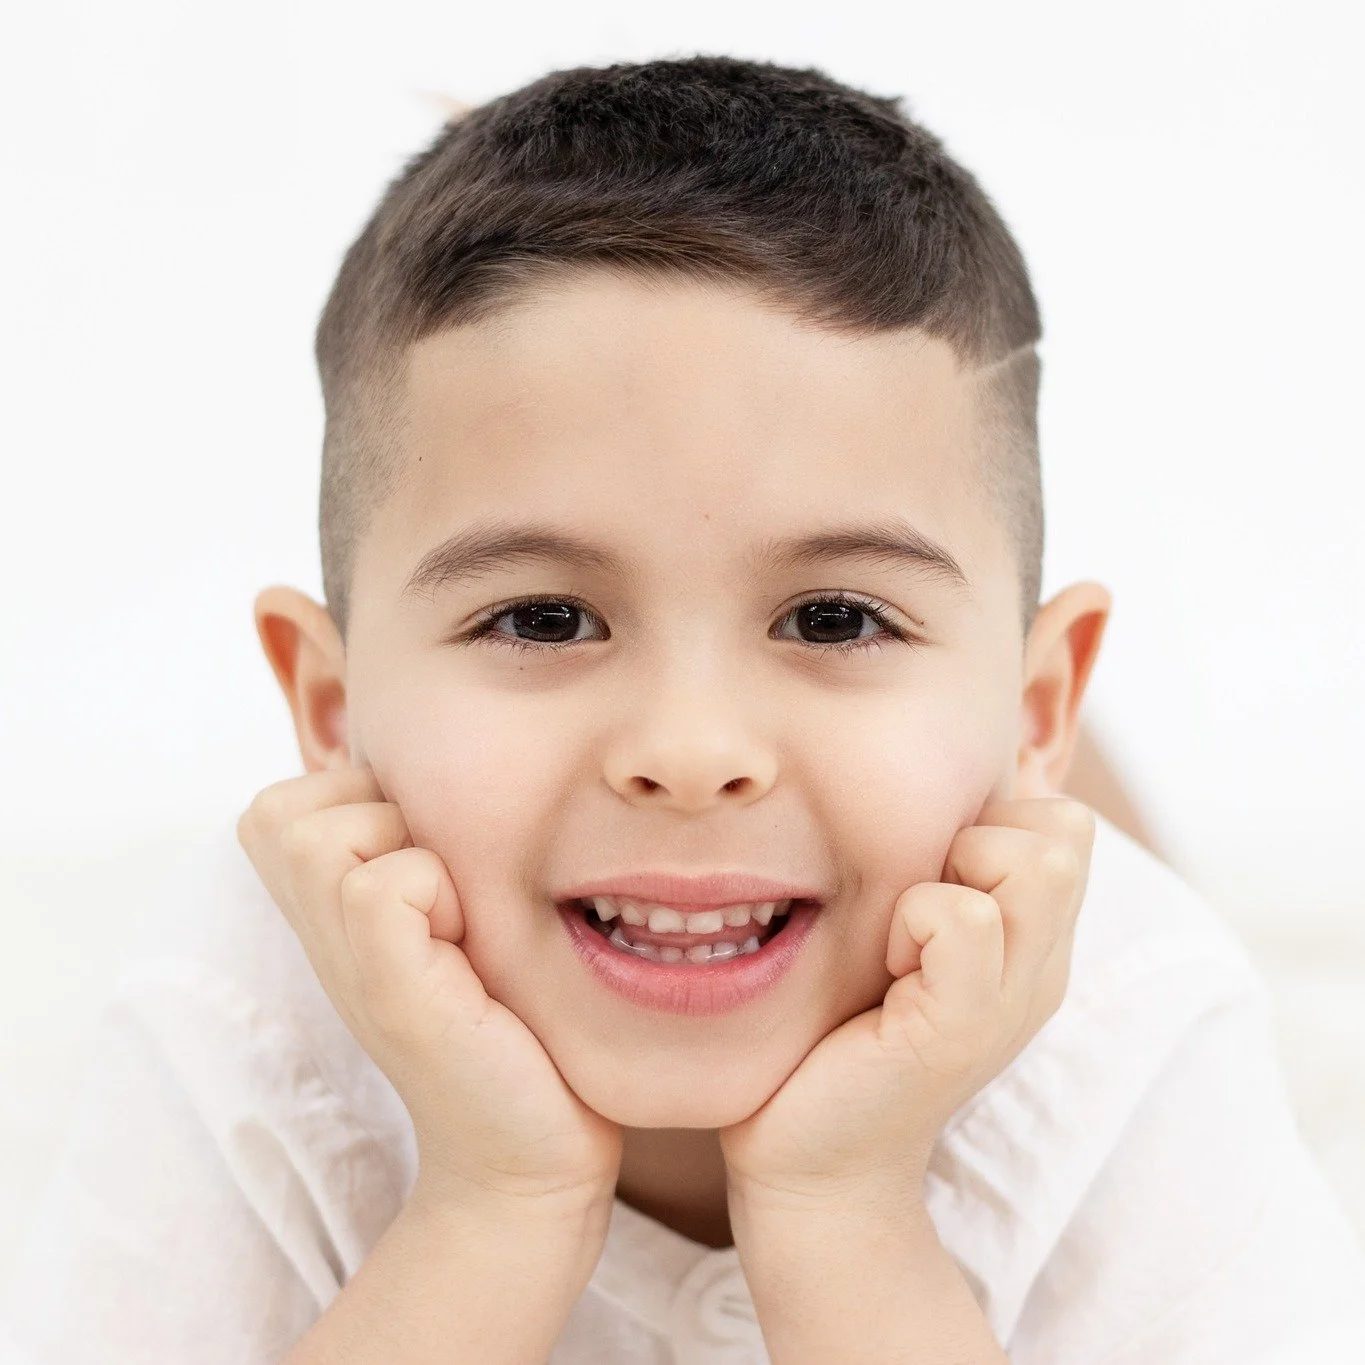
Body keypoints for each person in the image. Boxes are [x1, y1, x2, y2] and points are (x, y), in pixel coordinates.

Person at [3, 55, 1363, 1365]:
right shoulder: (238, 1012)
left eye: (835, 618)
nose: (691, 751)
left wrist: (847, 1216)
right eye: (544, 618)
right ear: (330, 702)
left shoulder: (1137, 1013)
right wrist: (493, 1204)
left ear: (1041, 701)